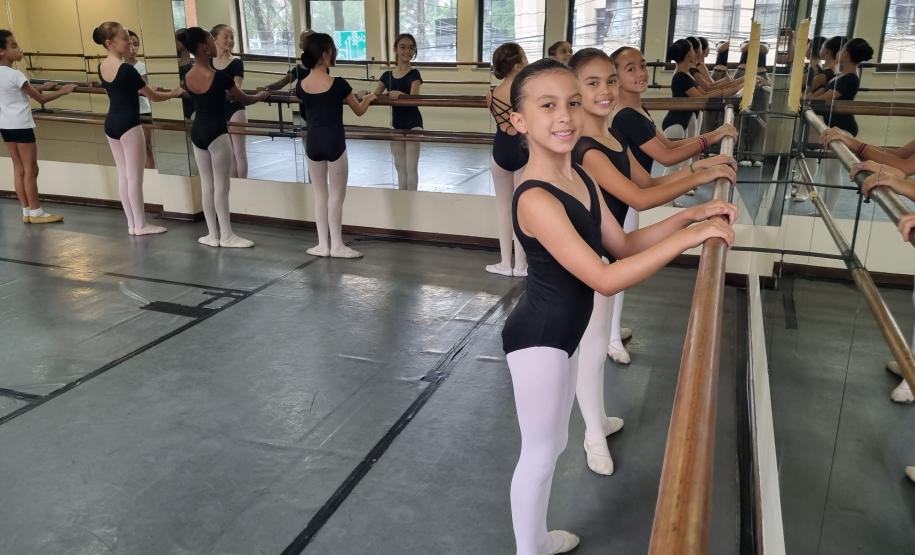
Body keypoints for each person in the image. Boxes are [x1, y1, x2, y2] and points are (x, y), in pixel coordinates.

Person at [502, 57, 735, 555]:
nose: (564, 116)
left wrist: (693, 213)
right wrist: (690, 237)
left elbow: (624, 246)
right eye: (547, 107)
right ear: (519, 121)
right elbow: (605, 278)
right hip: (538, 339)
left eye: (570, 103)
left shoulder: (580, 180)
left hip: (563, 332)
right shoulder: (535, 198)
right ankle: (529, 549)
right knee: (540, 454)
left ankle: (537, 538)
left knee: (556, 446)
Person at [569, 47, 737, 474]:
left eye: (610, 80)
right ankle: (591, 433)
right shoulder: (586, 147)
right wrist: (702, 176)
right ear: (575, 91)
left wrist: (702, 169)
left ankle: (598, 418)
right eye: (594, 83)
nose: (606, 90)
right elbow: (639, 196)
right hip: (580, 255)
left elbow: (645, 179)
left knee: (597, 337)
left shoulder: (609, 135)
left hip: (607, 242)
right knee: (587, 351)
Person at [606, 45, 736, 363]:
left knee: (620, 271)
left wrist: (704, 158)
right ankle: (607, 336)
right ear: (616, 78)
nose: (639, 73)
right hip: (619, 202)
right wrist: (711, 141)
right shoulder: (624, 116)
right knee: (616, 271)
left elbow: (668, 145)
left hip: (629, 200)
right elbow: (665, 157)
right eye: (629, 68)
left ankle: (610, 329)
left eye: (641, 65)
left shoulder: (637, 110)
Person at [177, 27, 269, 248]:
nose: (212, 43)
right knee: (222, 185)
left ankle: (211, 234)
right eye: (210, 39)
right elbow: (244, 99)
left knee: (207, 184)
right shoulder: (220, 77)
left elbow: (201, 96)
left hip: (197, 132)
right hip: (216, 133)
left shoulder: (187, 76)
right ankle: (226, 235)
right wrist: (262, 95)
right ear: (202, 46)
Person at [94, 21, 183, 236]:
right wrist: (173, 93)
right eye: (125, 38)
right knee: (135, 177)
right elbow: (151, 96)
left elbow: (117, 93)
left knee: (124, 175)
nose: (129, 43)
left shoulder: (101, 66)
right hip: (129, 124)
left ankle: (132, 224)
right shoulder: (127, 69)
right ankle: (141, 225)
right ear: (110, 43)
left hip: (111, 123)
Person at [297, 32, 375, 258]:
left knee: (320, 195)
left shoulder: (301, 85)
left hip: (312, 143)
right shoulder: (339, 84)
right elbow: (359, 111)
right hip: (334, 142)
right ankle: (338, 245)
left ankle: (322, 245)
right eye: (333, 49)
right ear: (325, 54)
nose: (336, 52)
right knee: (336, 196)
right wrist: (368, 98)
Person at [0, 29, 76, 224]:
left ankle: (26, 211)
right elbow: (40, 99)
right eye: (14, 46)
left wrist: (42, 86)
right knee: (31, 169)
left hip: (6, 125)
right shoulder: (15, 74)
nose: (20, 49)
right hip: (22, 125)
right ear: (2, 51)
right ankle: (37, 212)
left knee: (19, 168)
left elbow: (21, 92)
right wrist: (65, 91)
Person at [808, 37, 872, 213]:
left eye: (842, 49)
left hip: (843, 128)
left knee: (831, 170)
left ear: (847, 54)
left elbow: (824, 98)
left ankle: (827, 210)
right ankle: (824, 208)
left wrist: (806, 100)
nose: (839, 52)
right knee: (829, 170)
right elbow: (817, 94)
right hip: (833, 126)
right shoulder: (839, 76)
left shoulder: (850, 79)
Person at [486, 43, 529, 277]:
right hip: (523, 150)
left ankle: (505, 263)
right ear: (517, 65)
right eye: (525, 56)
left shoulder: (491, 94)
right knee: (520, 209)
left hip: (500, 150)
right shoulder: (526, 92)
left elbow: (499, 120)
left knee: (503, 208)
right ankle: (521, 265)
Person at [373, 33, 423, 190]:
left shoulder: (415, 74)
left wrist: (400, 94)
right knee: (400, 167)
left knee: (411, 167)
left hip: (414, 124)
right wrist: (364, 94)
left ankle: (412, 201)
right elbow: (375, 95)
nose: (407, 51)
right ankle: (402, 202)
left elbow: (414, 97)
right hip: (396, 125)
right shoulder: (387, 75)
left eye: (411, 48)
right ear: (395, 49)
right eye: (403, 47)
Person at [211, 24, 249, 179]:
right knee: (228, 153)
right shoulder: (208, 62)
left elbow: (236, 88)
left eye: (232, 37)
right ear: (214, 39)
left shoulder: (236, 62)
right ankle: (234, 188)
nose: (230, 40)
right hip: (217, 110)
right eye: (225, 37)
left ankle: (244, 186)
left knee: (239, 152)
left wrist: (215, 93)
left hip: (235, 109)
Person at [126, 30, 154, 169]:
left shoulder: (141, 66)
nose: (133, 48)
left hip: (143, 110)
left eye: (136, 44)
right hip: (125, 112)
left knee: (146, 146)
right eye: (130, 44)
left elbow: (144, 89)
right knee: (130, 147)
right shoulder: (117, 65)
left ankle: (151, 173)